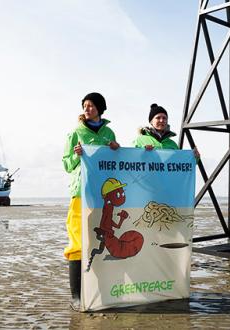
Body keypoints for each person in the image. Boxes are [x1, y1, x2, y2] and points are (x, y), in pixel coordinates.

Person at [62, 92, 120, 310]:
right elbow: (67, 164)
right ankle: (76, 297)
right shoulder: (75, 133)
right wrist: (77, 155)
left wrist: (117, 149)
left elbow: (116, 163)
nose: (88, 109)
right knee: (77, 243)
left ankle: (101, 290)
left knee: (102, 240)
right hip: (80, 193)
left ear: (100, 108)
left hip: (102, 196)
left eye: (92, 105)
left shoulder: (109, 132)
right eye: (85, 106)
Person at [134, 103, 201, 158]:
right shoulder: (139, 141)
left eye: (164, 118)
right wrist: (142, 151)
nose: (162, 120)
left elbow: (180, 164)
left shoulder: (173, 144)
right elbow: (130, 159)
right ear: (151, 121)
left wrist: (195, 157)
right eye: (158, 118)